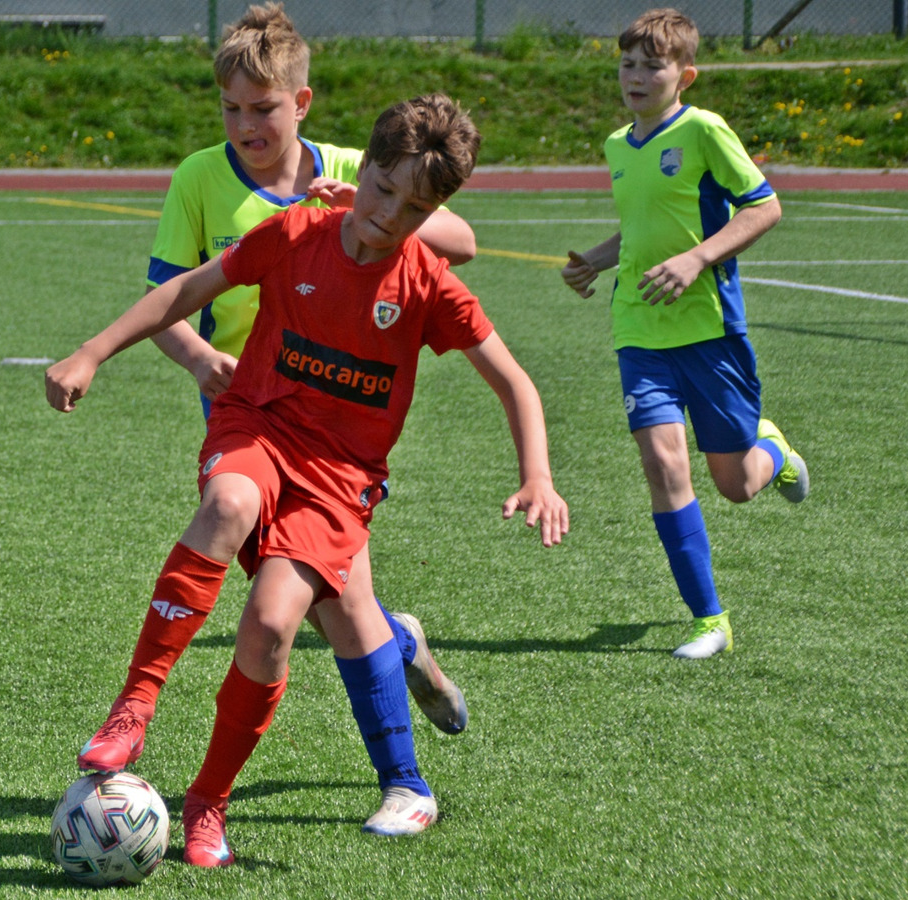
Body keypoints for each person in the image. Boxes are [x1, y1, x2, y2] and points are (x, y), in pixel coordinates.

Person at [47, 93, 569, 866]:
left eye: (415, 209)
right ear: (365, 170)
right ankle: (135, 704)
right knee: (228, 502)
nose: (389, 215)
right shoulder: (296, 233)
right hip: (256, 423)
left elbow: (515, 381)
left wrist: (539, 476)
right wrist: (91, 352)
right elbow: (184, 291)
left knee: (270, 625)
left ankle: (209, 801)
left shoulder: (428, 284)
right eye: (382, 191)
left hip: (339, 479)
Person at [75, 1, 473, 833]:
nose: (246, 126)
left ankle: (406, 776)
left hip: (337, 434)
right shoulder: (199, 178)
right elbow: (169, 296)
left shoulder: (361, 167)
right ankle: (401, 683)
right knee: (315, 605)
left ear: (303, 102)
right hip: (247, 417)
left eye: (263, 108)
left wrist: (361, 203)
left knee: (339, 613)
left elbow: (460, 239)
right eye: (231, 109)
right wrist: (199, 360)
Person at [561, 7, 808, 660]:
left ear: (685, 75)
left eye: (653, 66)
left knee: (736, 484)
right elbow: (642, 228)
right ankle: (710, 621)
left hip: (708, 329)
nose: (636, 77)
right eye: (628, 65)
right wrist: (595, 261)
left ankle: (773, 451)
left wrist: (698, 258)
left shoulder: (703, 131)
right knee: (662, 463)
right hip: (639, 328)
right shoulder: (618, 145)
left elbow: (764, 206)